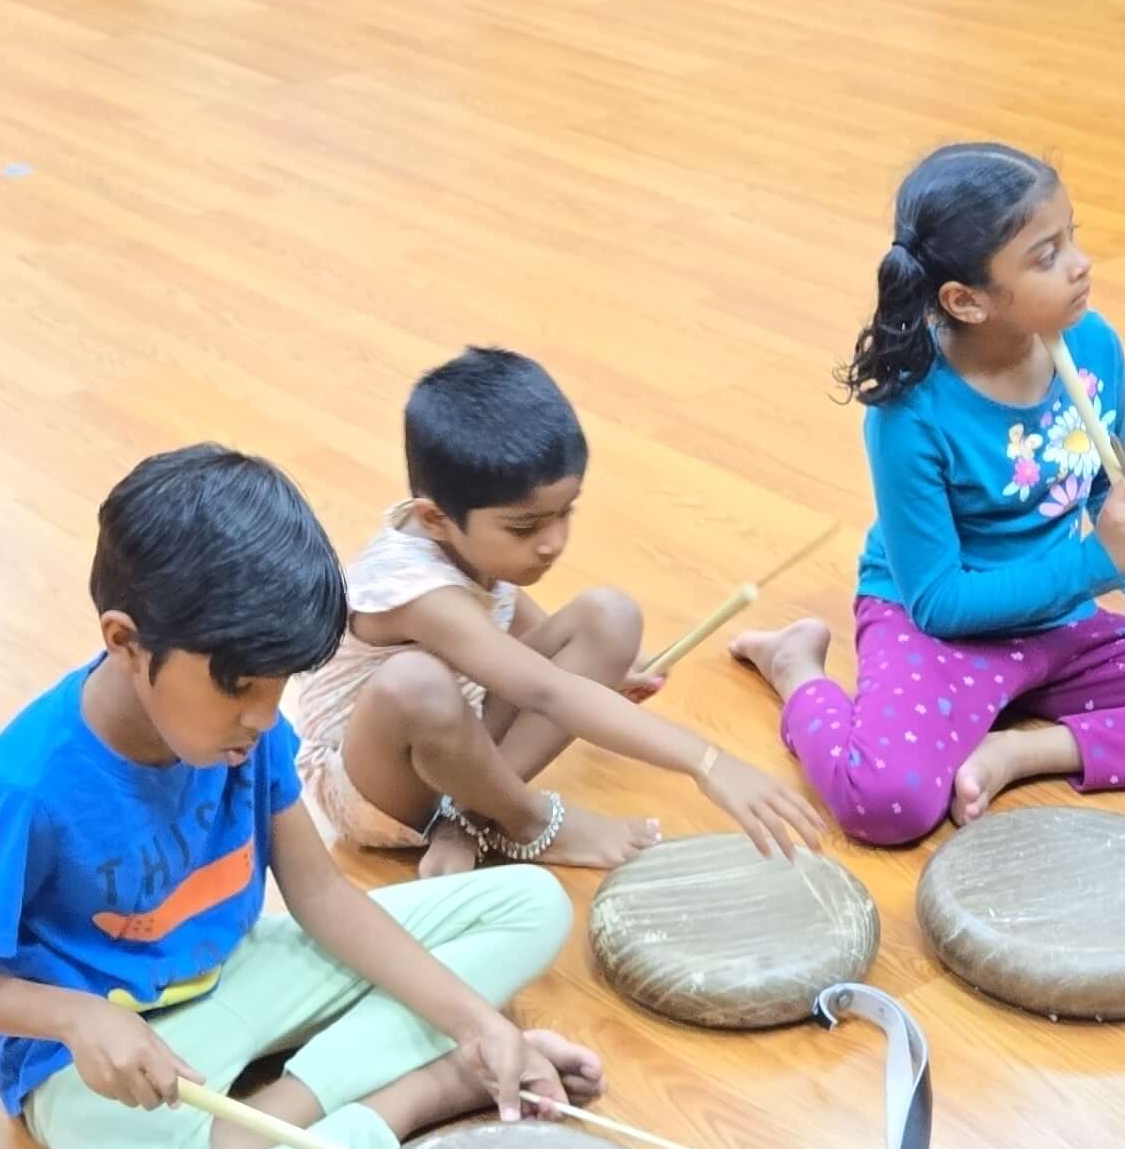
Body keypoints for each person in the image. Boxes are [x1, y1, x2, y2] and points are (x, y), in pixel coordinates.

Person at [0, 445, 600, 1149]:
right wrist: (77, 1018)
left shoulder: (247, 727)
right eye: (240, 687)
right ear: (125, 642)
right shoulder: (29, 785)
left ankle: (277, 1119)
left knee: (529, 905)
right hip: (107, 1059)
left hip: (236, 975)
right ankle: (419, 1096)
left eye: (280, 687)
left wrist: (475, 1022)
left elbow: (321, 896)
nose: (265, 717)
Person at [728, 143, 1125, 845]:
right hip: (944, 632)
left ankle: (1023, 749)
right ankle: (795, 666)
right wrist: (1098, 564)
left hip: (1060, 622)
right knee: (886, 803)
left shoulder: (1092, 344)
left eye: (1071, 237)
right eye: (1046, 256)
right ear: (966, 300)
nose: (1080, 264)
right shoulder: (908, 414)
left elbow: (1111, 479)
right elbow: (938, 602)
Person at [284, 346, 830, 876]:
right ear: (434, 519)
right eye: (525, 527)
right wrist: (707, 761)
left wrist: (600, 668)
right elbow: (546, 691)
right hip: (370, 784)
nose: (553, 543)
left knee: (610, 618)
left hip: (457, 731)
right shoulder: (416, 590)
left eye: (566, 512)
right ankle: (526, 820)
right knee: (415, 683)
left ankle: (471, 817)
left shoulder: (468, 535)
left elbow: (503, 606)